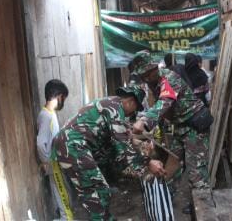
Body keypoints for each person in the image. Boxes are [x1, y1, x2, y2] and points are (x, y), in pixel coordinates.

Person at [53, 85, 163, 219]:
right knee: (98, 190)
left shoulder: (111, 104)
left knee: (97, 190)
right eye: (135, 110)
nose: (132, 115)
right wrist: (148, 162)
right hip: (73, 146)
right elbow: (122, 149)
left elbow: (117, 141)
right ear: (131, 102)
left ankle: (102, 217)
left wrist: (133, 141)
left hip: (72, 145)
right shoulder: (115, 110)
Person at [129, 50, 212, 195]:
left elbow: (164, 103)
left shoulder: (170, 78)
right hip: (178, 127)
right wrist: (157, 134)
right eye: (143, 76)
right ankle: (166, 199)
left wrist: (143, 120)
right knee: (173, 165)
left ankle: (202, 203)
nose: (146, 78)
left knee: (196, 173)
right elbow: (164, 113)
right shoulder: (153, 82)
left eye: (148, 74)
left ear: (155, 68)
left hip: (194, 126)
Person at [36, 79, 72, 220]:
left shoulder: (50, 113)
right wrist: (46, 161)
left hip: (56, 162)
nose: (63, 101)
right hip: (53, 164)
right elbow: (41, 143)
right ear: (58, 96)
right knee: (63, 196)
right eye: (63, 98)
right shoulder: (46, 116)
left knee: (63, 195)